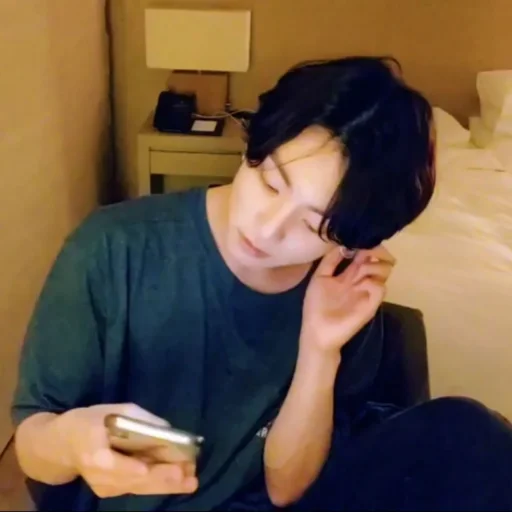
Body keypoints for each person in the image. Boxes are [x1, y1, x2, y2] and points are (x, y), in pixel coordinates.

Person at [11, 56, 512, 512]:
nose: (268, 229)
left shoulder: (340, 294)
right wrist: (73, 441)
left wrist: (320, 349)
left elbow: (285, 489)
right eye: (270, 182)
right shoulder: (111, 249)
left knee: (472, 435)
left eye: (313, 225)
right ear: (254, 148)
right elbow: (34, 450)